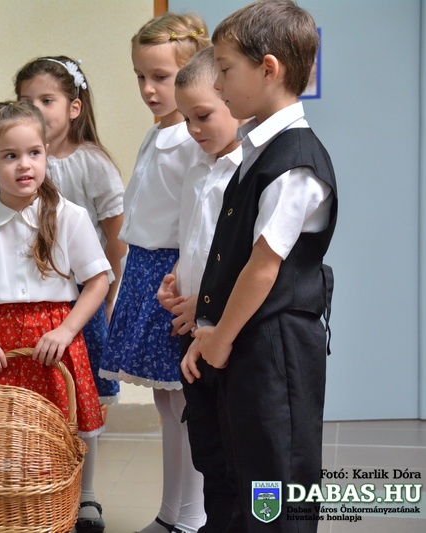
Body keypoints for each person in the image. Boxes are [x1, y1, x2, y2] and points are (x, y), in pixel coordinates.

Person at [181, 1, 337, 531]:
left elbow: (263, 267)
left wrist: (219, 339)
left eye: (226, 70)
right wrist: (209, 329)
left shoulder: (295, 162)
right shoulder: (256, 148)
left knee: (274, 473)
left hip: (274, 347)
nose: (219, 83)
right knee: (232, 466)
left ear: (268, 69)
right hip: (240, 338)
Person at [0, 100, 110, 532]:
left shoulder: (69, 216)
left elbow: (97, 282)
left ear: (46, 153)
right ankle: (3, 500)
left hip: (53, 339)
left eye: (34, 152)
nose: (24, 165)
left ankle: (82, 497)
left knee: (69, 421)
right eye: (10, 156)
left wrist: (67, 331)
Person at [98, 13, 210, 533]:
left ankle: (191, 516)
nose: (147, 88)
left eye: (160, 77)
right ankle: (171, 513)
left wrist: (187, 282)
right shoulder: (159, 131)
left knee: (184, 400)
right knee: (167, 401)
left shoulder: (191, 138)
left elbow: (197, 220)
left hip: (172, 274)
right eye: (140, 76)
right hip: (145, 268)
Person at [14, 55, 125, 531]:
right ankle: (44, 486)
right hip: (32, 297)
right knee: (39, 395)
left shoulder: (92, 164)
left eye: (47, 100)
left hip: (82, 296)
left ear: (74, 107)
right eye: (26, 101)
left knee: (83, 396)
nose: (35, 109)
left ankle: (87, 494)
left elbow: (116, 240)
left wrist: (111, 297)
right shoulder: (19, 158)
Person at [157, 46, 244, 533]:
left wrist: (205, 300)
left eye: (203, 115)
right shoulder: (197, 169)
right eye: (187, 118)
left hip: (225, 327)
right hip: (191, 323)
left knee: (234, 445)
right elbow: (195, 239)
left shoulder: (246, 172)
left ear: (233, 101)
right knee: (205, 440)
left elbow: (245, 258)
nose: (193, 129)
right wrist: (177, 279)